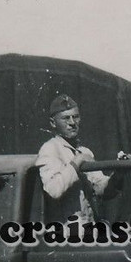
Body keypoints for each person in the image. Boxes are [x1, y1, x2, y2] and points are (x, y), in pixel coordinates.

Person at [36, 94, 112, 222]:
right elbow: (53, 190)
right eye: (66, 118)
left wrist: (118, 177)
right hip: (64, 233)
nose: (72, 123)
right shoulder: (50, 149)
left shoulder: (84, 151)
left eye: (75, 117)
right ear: (53, 123)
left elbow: (100, 188)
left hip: (89, 231)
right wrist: (77, 162)